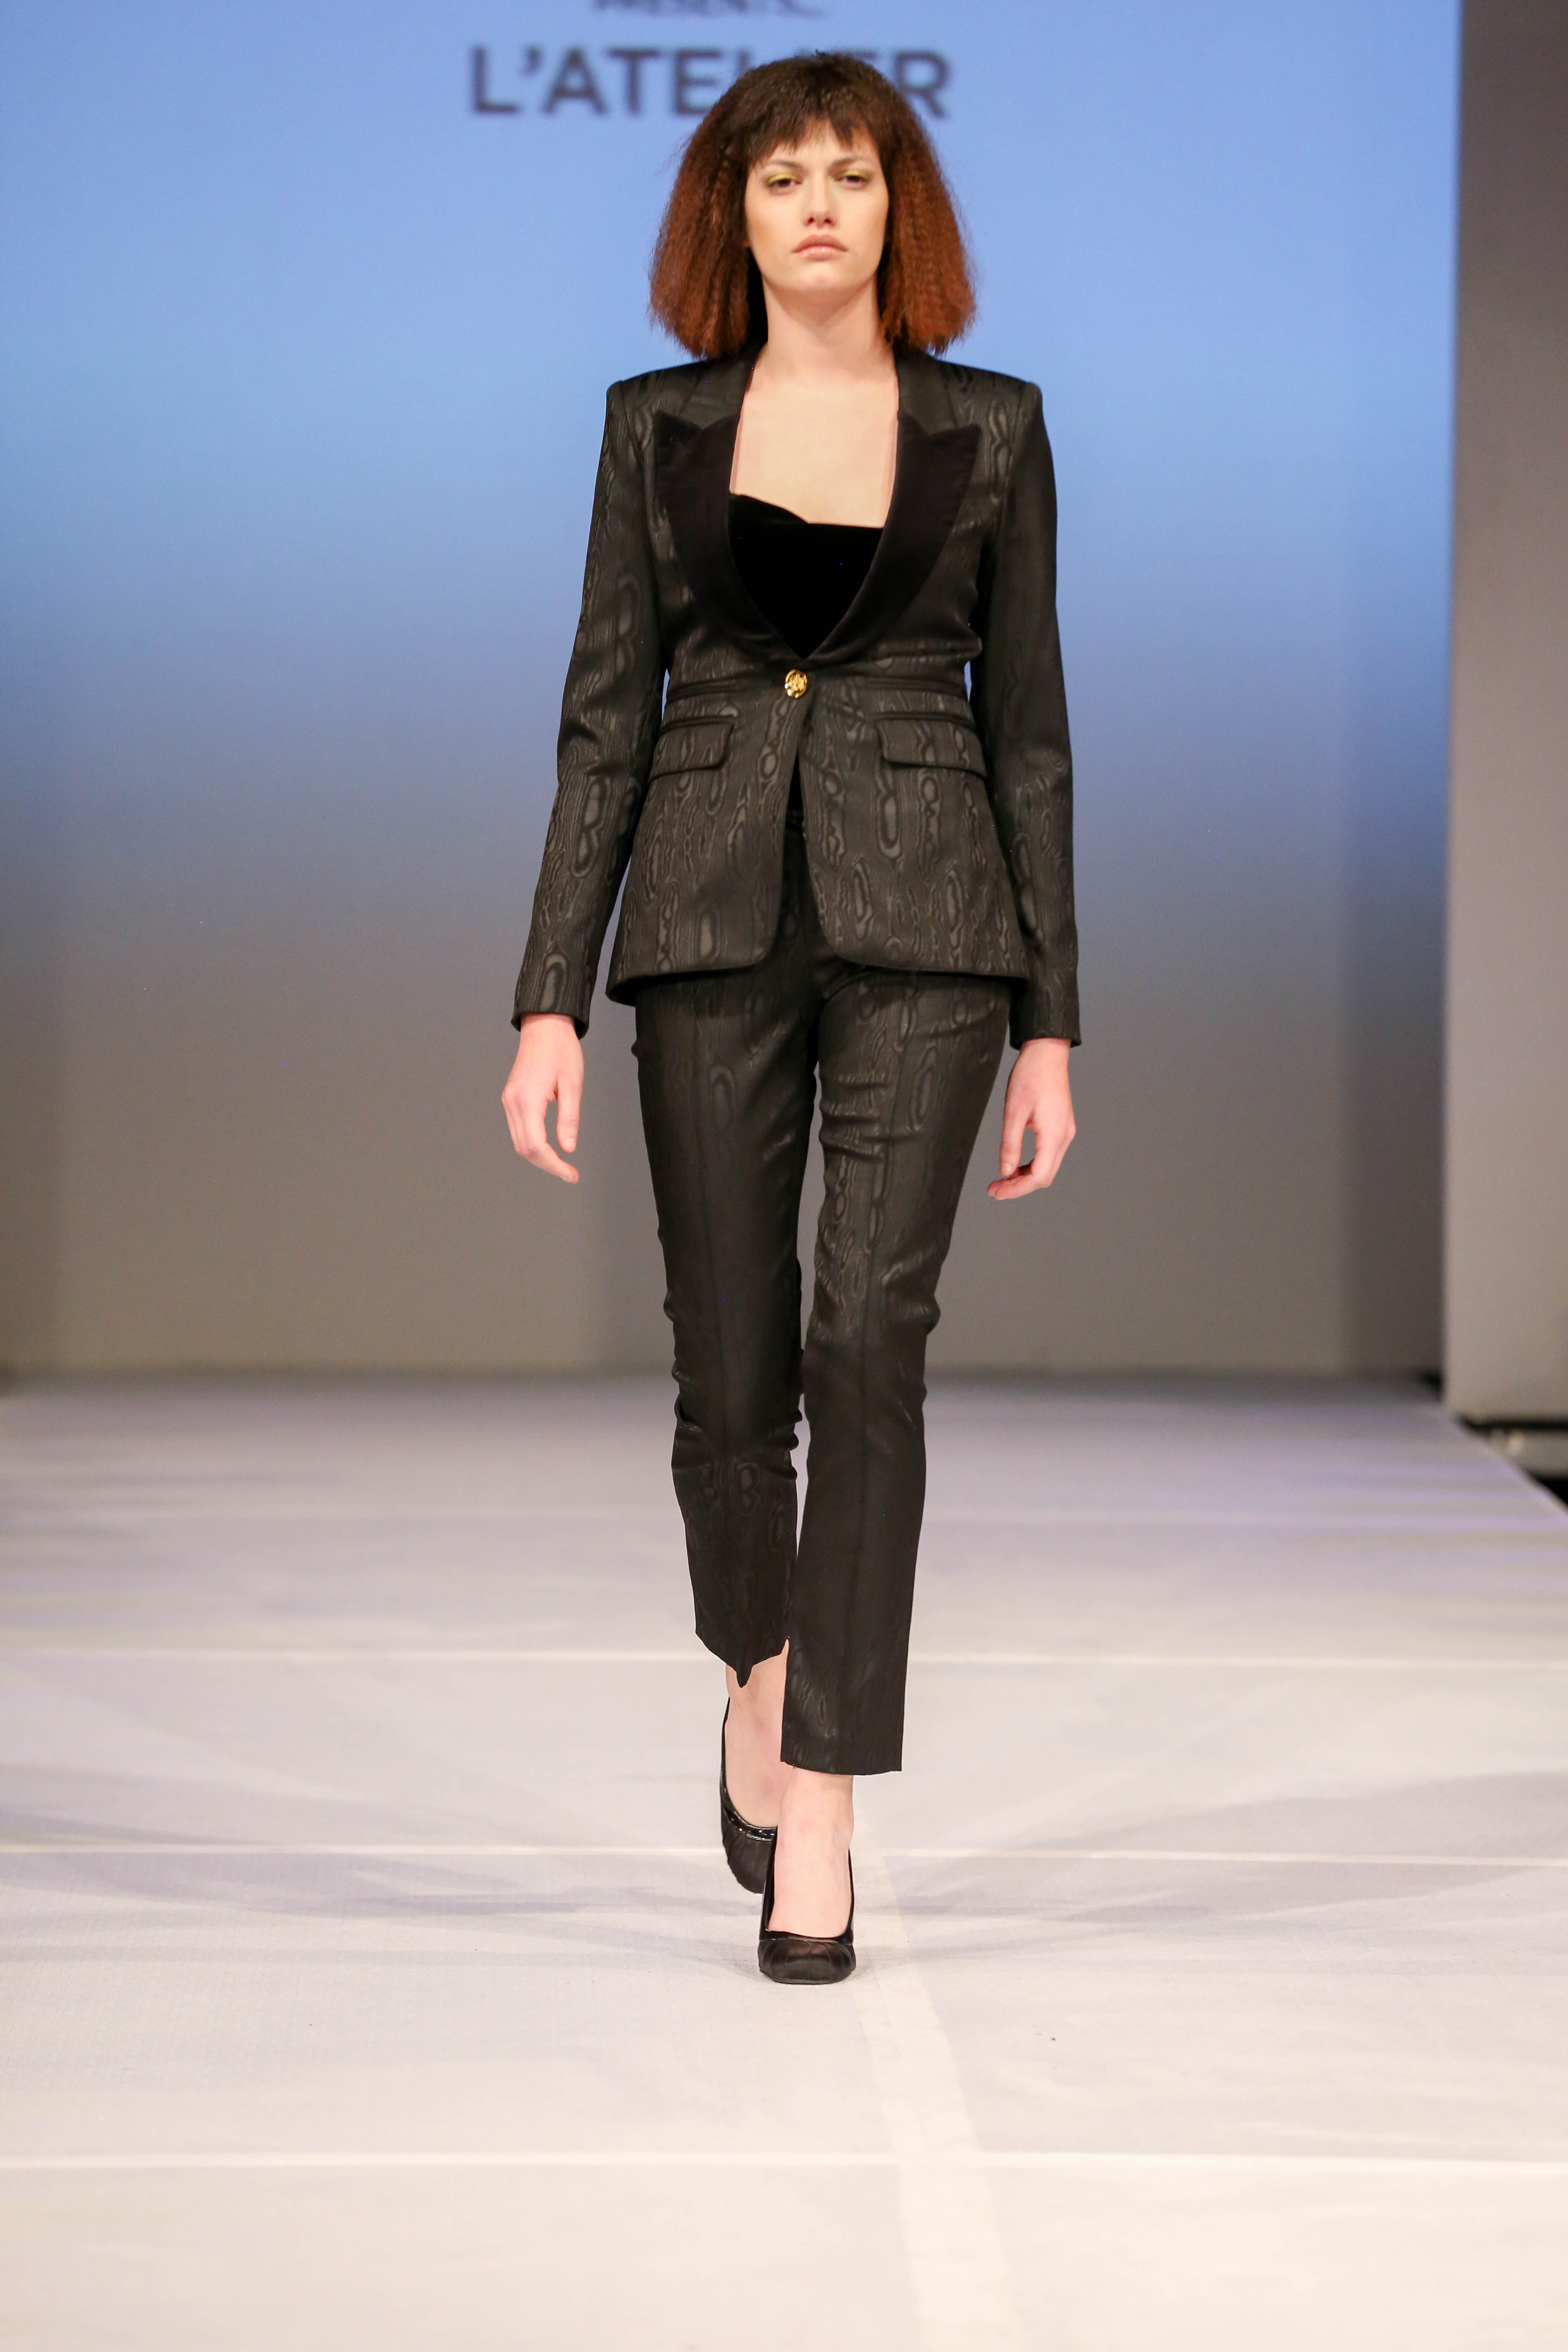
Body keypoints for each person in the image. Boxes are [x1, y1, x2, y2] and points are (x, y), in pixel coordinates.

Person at [502, 54, 1078, 1984]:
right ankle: (758, 1666)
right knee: (735, 1370)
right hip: (702, 919)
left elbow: (1032, 735)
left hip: (935, 933)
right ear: (730, 215)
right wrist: (548, 998)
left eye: (853, 174)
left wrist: (1056, 1022)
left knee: (870, 1343)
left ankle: (820, 1796)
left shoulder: (993, 428)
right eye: (783, 178)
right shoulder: (652, 427)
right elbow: (604, 723)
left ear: (900, 210)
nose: (819, 205)